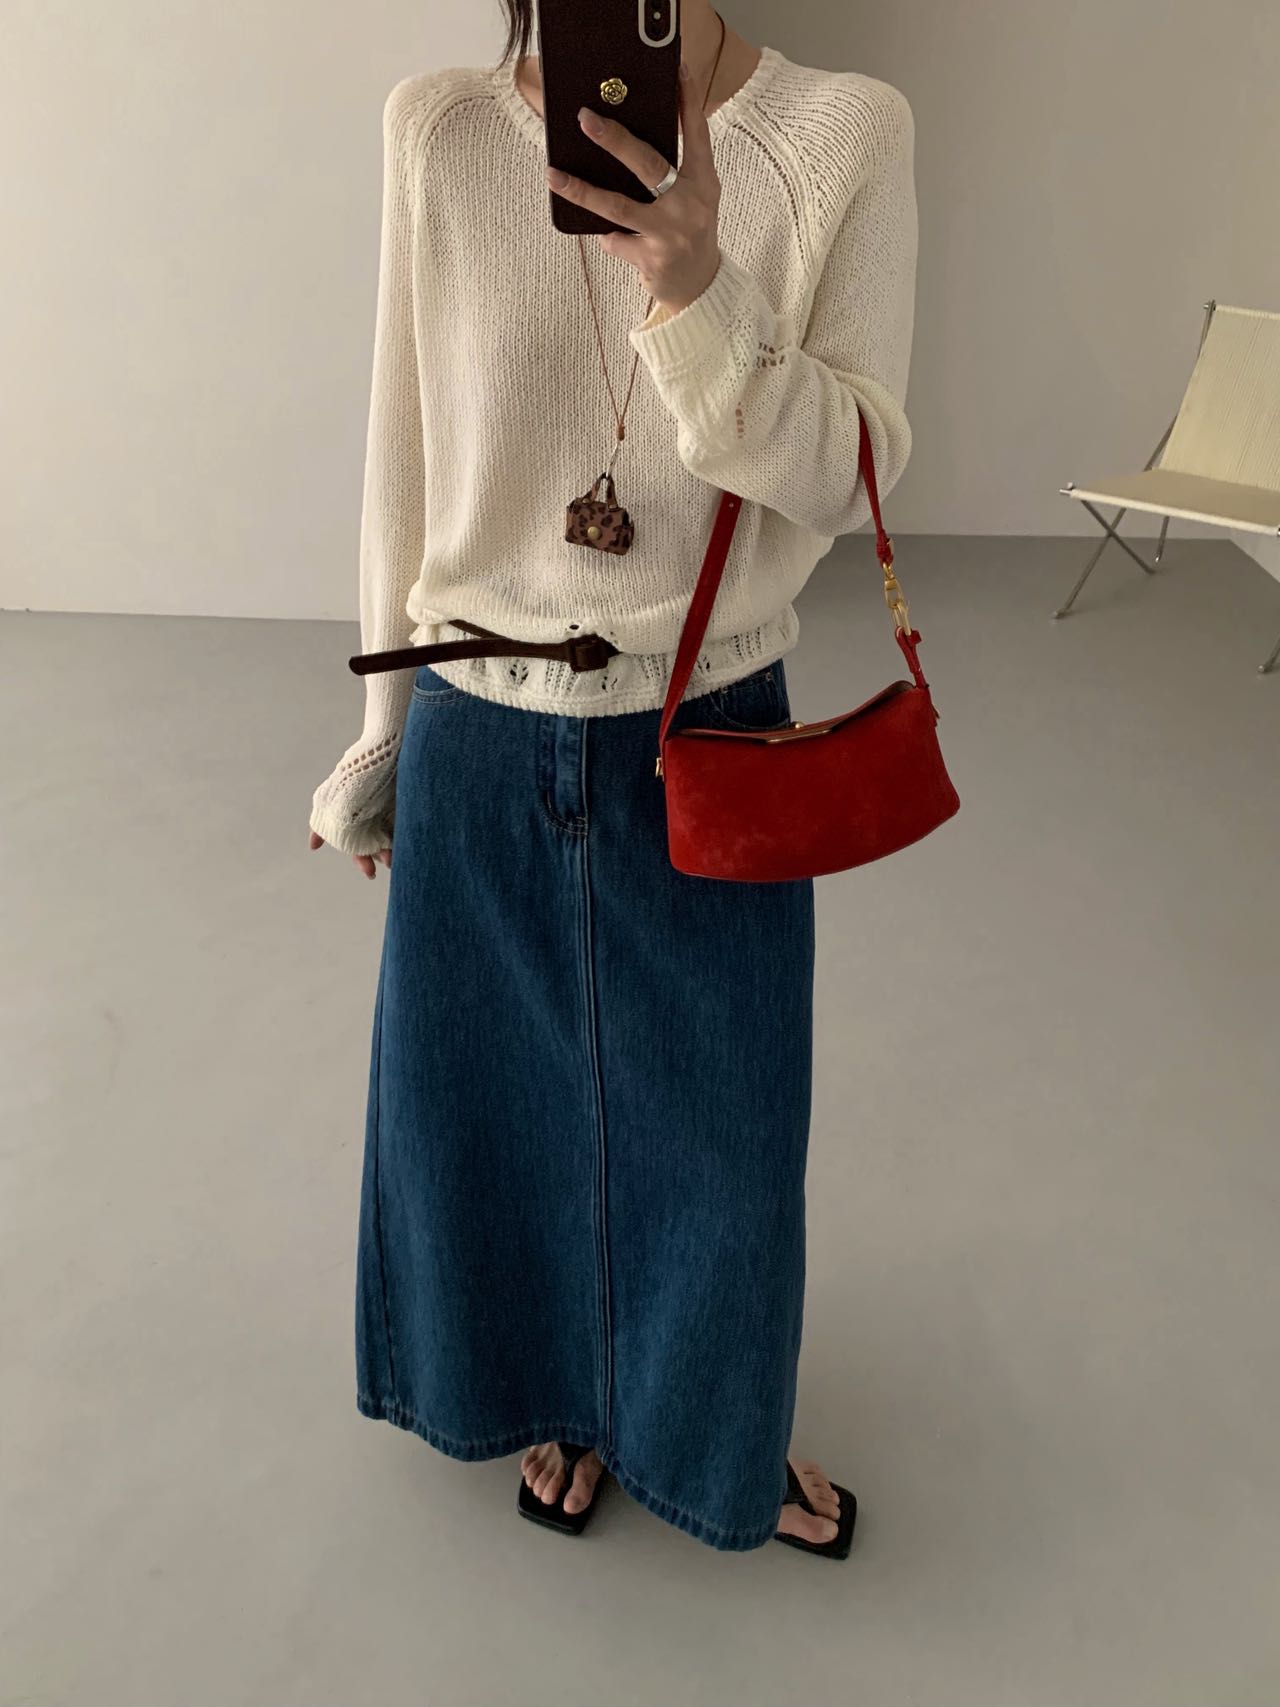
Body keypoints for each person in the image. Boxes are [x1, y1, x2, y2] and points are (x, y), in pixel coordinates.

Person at [308, 0, 917, 1557]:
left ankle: (714, 1429)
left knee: (722, 1134)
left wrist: (700, 287)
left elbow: (852, 471)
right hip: (476, 720)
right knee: (485, 1115)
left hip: (707, 722)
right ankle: (557, 1395)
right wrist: (380, 740)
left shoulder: (842, 133)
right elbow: (401, 461)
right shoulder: (443, 131)